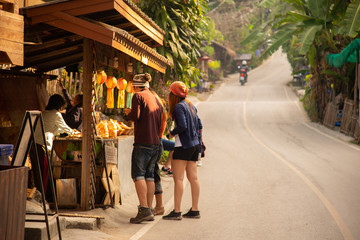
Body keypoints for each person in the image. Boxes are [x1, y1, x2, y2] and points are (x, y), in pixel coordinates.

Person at [124, 73, 163, 223]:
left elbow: (136, 116)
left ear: (135, 86)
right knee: (149, 176)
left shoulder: (138, 96)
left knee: (138, 175)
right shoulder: (154, 97)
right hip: (155, 143)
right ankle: (149, 208)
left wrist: (129, 113)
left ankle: (144, 209)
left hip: (143, 142)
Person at [163, 81, 203, 220]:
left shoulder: (179, 107)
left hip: (183, 145)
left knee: (178, 178)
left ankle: (177, 211)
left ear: (173, 95)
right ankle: (195, 209)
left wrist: (171, 134)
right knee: (193, 178)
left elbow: (182, 126)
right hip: (194, 145)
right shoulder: (191, 105)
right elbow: (199, 124)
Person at [31, 94, 76, 197]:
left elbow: (54, 128)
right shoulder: (56, 114)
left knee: (37, 174)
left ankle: (38, 197)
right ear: (59, 105)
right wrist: (74, 132)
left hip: (33, 145)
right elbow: (66, 129)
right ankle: (43, 199)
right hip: (42, 147)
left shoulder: (43, 113)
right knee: (44, 174)